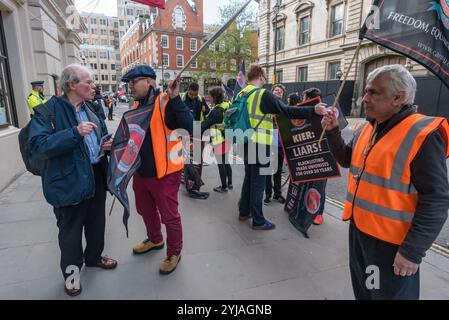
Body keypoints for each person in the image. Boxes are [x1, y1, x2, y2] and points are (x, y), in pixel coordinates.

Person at [322, 64, 449, 300]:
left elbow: (437, 199)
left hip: (392, 245)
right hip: (360, 232)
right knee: (365, 290)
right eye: (366, 91)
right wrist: (332, 131)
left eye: (374, 92)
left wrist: (412, 252)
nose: (364, 98)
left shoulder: (423, 135)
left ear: (398, 98)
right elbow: (347, 159)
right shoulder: (367, 128)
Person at [28, 64, 117, 297]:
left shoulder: (94, 108)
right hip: (68, 182)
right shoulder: (48, 112)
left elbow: (101, 138)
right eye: (89, 82)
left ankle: (95, 257)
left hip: (96, 175)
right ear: (71, 85)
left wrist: (105, 146)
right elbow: (38, 146)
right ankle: (72, 275)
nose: (93, 86)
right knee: (70, 233)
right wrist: (74, 133)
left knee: (97, 224)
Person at [122, 65, 193, 275]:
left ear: (149, 81)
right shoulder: (137, 105)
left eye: (134, 82)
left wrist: (176, 98)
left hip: (165, 173)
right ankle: (155, 239)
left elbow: (188, 126)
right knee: (144, 209)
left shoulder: (166, 101)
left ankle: (174, 252)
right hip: (141, 171)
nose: (130, 86)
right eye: (128, 83)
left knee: (170, 216)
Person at [238, 65, 327, 230]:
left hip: (244, 141)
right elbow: (285, 110)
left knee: (249, 178)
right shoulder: (262, 94)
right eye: (264, 78)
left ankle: (244, 211)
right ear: (261, 77)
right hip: (259, 143)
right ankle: (258, 220)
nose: (264, 81)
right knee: (258, 183)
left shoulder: (242, 93)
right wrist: (312, 110)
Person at [301, 87, 327, 226]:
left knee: (320, 185)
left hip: (322, 156)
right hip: (308, 153)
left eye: (304, 98)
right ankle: (308, 208)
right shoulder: (307, 114)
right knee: (309, 184)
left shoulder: (326, 113)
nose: (302, 101)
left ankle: (319, 213)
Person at [201, 86, 232, 193]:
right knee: (226, 160)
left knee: (220, 163)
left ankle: (224, 187)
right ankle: (230, 183)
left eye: (210, 96)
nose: (209, 98)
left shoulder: (216, 111)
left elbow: (204, 125)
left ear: (214, 97)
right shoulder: (227, 105)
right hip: (228, 137)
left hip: (218, 140)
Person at [264, 83, 287, 205]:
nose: (278, 92)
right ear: (272, 92)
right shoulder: (267, 106)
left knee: (278, 170)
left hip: (279, 144)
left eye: (280, 91)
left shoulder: (284, 107)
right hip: (268, 142)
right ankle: (268, 194)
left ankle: (277, 194)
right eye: (276, 90)